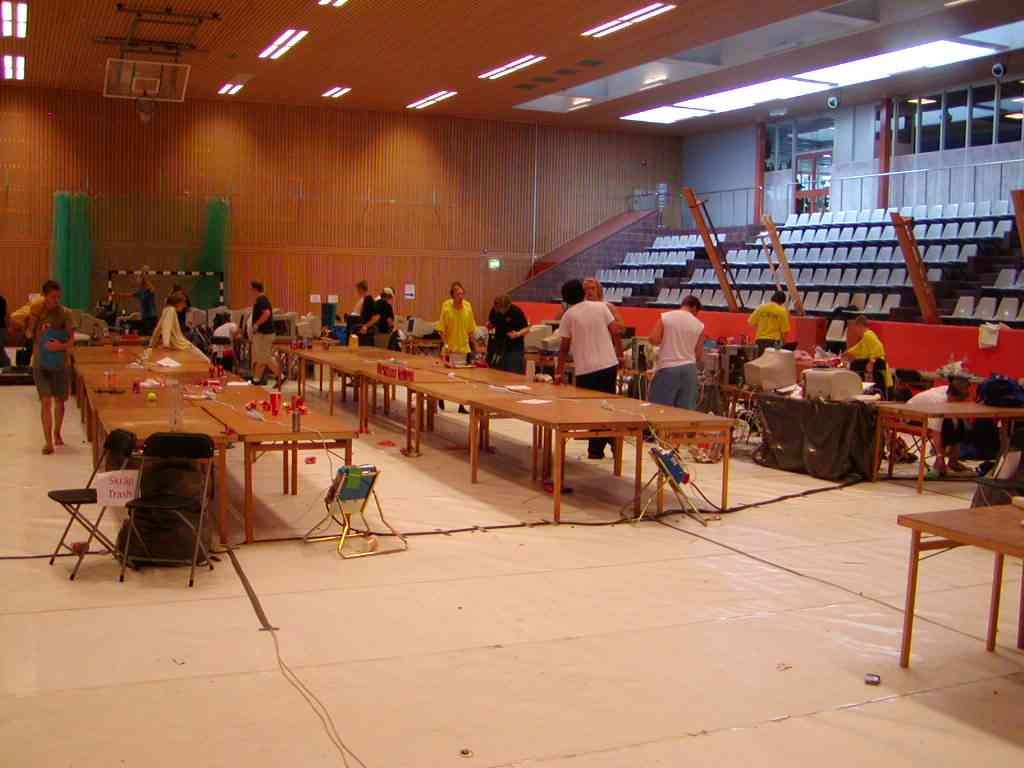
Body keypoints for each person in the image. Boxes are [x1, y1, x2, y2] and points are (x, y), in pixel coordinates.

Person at [555, 279, 623, 460]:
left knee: (591, 409)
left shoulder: (568, 315)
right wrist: (620, 356)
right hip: (609, 364)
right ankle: (607, 442)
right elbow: (615, 332)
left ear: (565, 298)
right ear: (583, 292)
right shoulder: (602, 307)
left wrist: (559, 372)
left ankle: (597, 449)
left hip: (586, 369)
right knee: (606, 407)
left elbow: (564, 347)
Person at [25, 280, 73, 455]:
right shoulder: (36, 310)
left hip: (60, 363)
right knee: (46, 401)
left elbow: (71, 340)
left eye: (59, 297)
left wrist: (60, 346)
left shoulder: (65, 313)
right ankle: (48, 442)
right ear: (44, 296)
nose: (56, 300)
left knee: (60, 401)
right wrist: (32, 326)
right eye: (53, 297)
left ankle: (57, 432)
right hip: (41, 362)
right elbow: (29, 334)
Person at [905, 377, 980, 478]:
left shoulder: (950, 390)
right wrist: (940, 456)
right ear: (952, 397)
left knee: (959, 422)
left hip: (928, 413)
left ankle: (953, 461)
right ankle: (939, 463)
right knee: (947, 426)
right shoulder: (938, 402)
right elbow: (936, 432)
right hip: (910, 416)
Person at [648, 294, 705, 410]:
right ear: (694, 307)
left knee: (659, 410)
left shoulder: (666, 317)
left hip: (668, 368)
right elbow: (698, 355)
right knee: (685, 412)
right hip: (689, 370)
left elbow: (653, 339)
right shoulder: (700, 325)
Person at [439, 282, 482, 413]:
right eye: (458, 294)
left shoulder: (468, 307)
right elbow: (441, 329)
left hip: (464, 348)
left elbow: (471, 330)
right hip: (450, 348)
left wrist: (476, 346)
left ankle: (461, 405)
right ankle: (440, 396)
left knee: (463, 379)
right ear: (452, 295)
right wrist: (445, 345)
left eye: (462, 293)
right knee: (447, 377)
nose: (461, 296)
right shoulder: (446, 308)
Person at [843, 315, 891, 393]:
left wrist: (871, 362)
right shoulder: (866, 336)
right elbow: (859, 347)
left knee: (854, 365)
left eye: (856, 328)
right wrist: (848, 352)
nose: (856, 330)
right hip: (876, 362)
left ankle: (856, 388)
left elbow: (878, 347)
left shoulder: (868, 335)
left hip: (878, 362)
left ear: (860, 326)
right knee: (855, 365)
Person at [151, 293, 207, 358]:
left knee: (203, 358)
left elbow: (158, 328)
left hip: (179, 345)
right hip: (182, 345)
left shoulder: (166, 310)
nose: (185, 305)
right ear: (178, 302)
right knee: (205, 359)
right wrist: (165, 345)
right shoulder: (171, 310)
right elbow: (166, 328)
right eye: (184, 303)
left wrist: (151, 344)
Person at [249, 280, 283, 388]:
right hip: (264, 334)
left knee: (264, 357)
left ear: (255, 289)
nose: (250, 292)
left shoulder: (261, 300)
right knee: (261, 358)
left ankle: (280, 376)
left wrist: (256, 325)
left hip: (264, 334)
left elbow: (266, 313)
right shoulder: (261, 300)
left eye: (251, 289)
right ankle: (256, 379)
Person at [488, 295, 530, 374]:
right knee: (497, 371)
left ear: (508, 306)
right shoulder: (495, 310)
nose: (500, 311)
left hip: (514, 347)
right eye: (498, 309)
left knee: (513, 371)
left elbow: (527, 328)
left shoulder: (516, 311)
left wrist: (518, 333)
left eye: (502, 309)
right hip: (499, 345)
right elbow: (492, 323)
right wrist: (489, 325)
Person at [353, 280, 377, 347]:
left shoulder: (369, 299)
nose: (357, 291)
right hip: (362, 330)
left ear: (361, 289)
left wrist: (366, 326)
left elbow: (376, 317)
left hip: (367, 332)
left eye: (358, 290)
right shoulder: (363, 299)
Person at [0, 292, 10, 368]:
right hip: (2, 329)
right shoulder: (2, 299)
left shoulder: (2, 300)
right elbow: (6, 316)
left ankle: (6, 366)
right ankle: (6, 366)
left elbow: (6, 316)